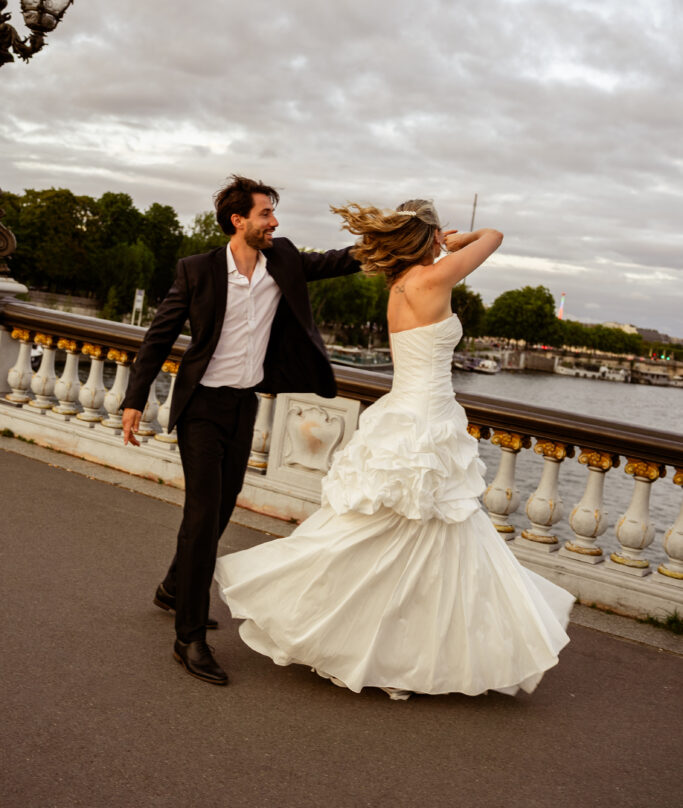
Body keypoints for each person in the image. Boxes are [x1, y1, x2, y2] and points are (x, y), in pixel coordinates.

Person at [214, 198, 574, 699]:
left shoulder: (399, 285)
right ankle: (416, 649)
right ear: (428, 237)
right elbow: (494, 235)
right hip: (428, 419)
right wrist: (456, 241)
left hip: (400, 410)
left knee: (388, 532)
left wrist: (436, 242)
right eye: (435, 237)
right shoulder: (434, 278)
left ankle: (367, 636)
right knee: (434, 531)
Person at [121, 175, 360, 686]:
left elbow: (342, 259)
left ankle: (171, 587)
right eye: (266, 214)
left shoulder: (285, 260)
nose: (274, 222)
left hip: (244, 406)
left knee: (222, 507)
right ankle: (189, 638)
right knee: (203, 514)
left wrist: (402, 238)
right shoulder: (197, 271)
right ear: (239, 221)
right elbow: (158, 335)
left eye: (274, 214)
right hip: (201, 407)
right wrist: (134, 401)